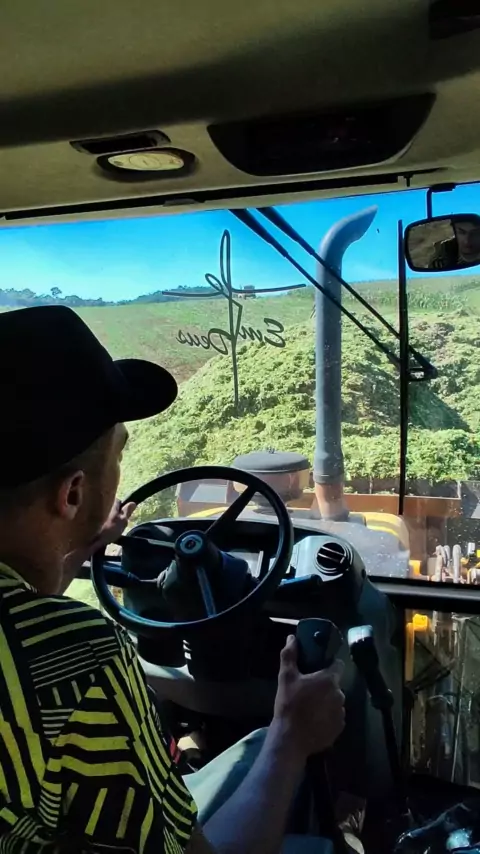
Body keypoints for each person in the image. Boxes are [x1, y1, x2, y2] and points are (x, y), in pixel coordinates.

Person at [0, 305, 346, 854]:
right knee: (267, 757)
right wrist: (292, 735)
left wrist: (86, 543)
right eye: (119, 454)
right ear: (73, 493)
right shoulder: (81, 656)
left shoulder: (26, 640)